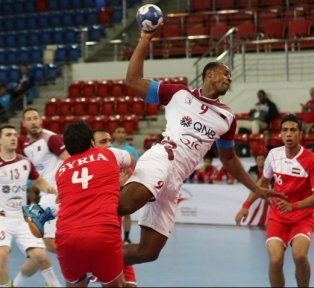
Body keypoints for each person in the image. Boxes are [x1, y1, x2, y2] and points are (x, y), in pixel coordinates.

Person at [117, 25, 284, 266]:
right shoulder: (178, 94)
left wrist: (255, 188)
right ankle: (81, 214)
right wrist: (144, 40)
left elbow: (229, 159)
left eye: (230, 76)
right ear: (209, 74)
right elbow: (132, 81)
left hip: (177, 179)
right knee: (125, 205)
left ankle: (100, 263)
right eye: (225, 73)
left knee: (148, 251)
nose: (229, 78)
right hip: (163, 158)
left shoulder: (228, 117)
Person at [235, 114, 314, 287]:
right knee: (276, 260)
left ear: (300, 133)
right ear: (280, 134)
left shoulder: (310, 159)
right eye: (285, 130)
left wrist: (293, 206)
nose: (288, 134)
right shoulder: (273, 155)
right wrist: (246, 205)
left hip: (302, 218)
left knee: (300, 256)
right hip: (278, 218)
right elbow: (263, 182)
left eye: (293, 130)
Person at [55, 120, 136, 287]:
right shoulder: (109, 154)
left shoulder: (61, 171)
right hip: (103, 232)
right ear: (92, 142)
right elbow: (133, 161)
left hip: (67, 237)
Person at [0, 124, 62, 287]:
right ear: (0, 140)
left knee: (40, 257)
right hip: (2, 219)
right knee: (2, 255)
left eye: (14, 134)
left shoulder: (25, 162)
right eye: (8, 135)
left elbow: (38, 180)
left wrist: (51, 189)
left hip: (21, 218)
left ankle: (15, 284)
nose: (13, 137)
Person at [92, 128, 138, 287]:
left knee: (130, 284)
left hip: (114, 240)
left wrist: (124, 188)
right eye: (103, 142)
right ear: (93, 145)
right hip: (96, 240)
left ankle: (126, 235)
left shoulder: (123, 165)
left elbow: (134, 195)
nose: (109, 144)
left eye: (110, 140)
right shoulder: (88, 170)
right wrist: (115, 186)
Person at [21, 107, 70, 253]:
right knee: (49, 243)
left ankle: (83, 270)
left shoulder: (51, 139)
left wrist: (65, 189)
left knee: (49, 242)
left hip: (58, 194)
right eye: (29, 119)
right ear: (24, 123)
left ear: (41, 120)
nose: (33, 122)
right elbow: (39, 173)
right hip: (46, 194)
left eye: (35, 118)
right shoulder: (25, 145)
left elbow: (70, 162)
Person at [112, 126, 139, 244]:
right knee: (112, 213)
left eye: (123, 132)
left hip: (127, 183)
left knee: (126, 212)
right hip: (112, 183)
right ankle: (114, 237)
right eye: (118, 132)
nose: (121, 134)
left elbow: (137, 166)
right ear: (114, 134)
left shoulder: (131, 150)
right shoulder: (109, 148)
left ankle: (126, 237)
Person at [235, 153, 269, 227]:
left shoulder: (268, 169)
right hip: (257, 194)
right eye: (259, 160)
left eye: (262, 159)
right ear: (256, 161)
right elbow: (253, 184)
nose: (261, 161)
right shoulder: (252, 169)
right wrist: (246, 206)